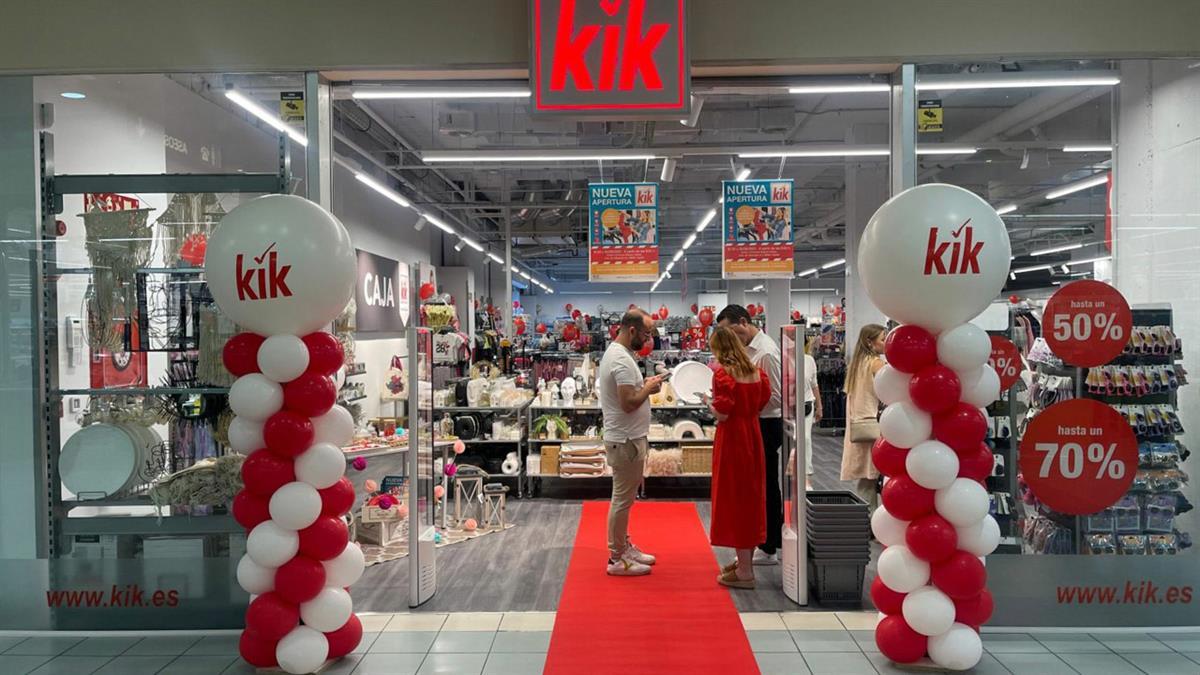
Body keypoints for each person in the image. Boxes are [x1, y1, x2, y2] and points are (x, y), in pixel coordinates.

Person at [598, 308, 664, 576]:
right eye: (646, 334)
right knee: (622, 500)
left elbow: (627, 395)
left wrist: (644, 385)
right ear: (632, 330)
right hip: (625, 439)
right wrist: (647, 389)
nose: (648, 340)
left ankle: (623, 547)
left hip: (627, 438)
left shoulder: (620, 355)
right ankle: (617, 558)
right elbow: (627, 403)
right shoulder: (621, 360)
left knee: (624, 499)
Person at [716, 304, 783, 566]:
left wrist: (742, 404)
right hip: (753, 422)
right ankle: (759, 542)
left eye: (732, 331)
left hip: (764, 423)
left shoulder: (765, 352)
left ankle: (768, 545)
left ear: (744, 322)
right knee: (753, 485)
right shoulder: (748, 351)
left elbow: (774, 396)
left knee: (763, 485)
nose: (731, 338)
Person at [706, 327, 772, 588]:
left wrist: (708, 403)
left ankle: (745, 571)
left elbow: (722, 413)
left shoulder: (723, 374)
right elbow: (762, 403)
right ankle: (745, 563)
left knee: (734, 499)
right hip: (753, 436)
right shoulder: (757, 373)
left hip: (733, 438)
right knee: (751, 498)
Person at [842, 324, 888, 509]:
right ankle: (871, 519)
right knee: (873, 475)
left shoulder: (857, 364)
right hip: (873, 426)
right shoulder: (876, 364)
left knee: (865, 480)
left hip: (859, 426)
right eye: (883, 339)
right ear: (870, 342)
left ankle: (866, 518)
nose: (886, 343)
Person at [803, 339, 823, 490]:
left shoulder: (809, 360)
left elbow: (814, 384)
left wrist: (819, 406)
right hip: (787, 406)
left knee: (806, 439)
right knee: (791, 441)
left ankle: (806, 477)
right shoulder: (782, 359)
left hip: (806, 404)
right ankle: (792, 475)